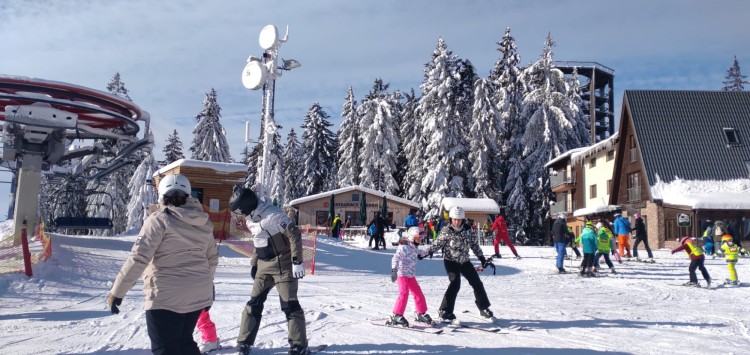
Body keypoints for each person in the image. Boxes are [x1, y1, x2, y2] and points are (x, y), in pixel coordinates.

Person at [107, 174, 218, 355]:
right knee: (184, 343)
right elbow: (212, 259)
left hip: (165, 298)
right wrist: (204, 287)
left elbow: (139, 257)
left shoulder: (159, 220)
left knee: (165, 349)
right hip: (197, 296)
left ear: (162, 195)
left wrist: (117, 291)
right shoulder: (203, 222)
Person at [228, 185, 309, 355]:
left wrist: (297, 261)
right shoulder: (252, 219)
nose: (241, 215)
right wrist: (254, 263)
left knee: (290, 305)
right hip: (264, 267)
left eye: (240, 210)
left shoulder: (273, 215)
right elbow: (259, 241)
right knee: (253, 304)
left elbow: (294, 235)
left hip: (283, 266)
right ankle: (244, 342)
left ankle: (299, 345)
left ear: (247, 205)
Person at [427, 206, 494, 324]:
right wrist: (428, 251)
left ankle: (483, 308)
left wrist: (482, 259)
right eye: (454, 219)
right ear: (451, 219)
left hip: (464, 261)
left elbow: (474, 245)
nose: (457, 222)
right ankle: (444, 311)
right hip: (450, 261)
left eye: (459, 219)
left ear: (463, 219)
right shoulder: (447, 230)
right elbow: (437, 243)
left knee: (477, 283)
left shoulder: (468, 230)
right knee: (455, 283)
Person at [388, 227, 433, 327]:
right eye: (418, 239)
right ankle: (396, 314)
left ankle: (421, 313)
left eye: (421, 239)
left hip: (411, 275)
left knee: (418, 293)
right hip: (402, 275)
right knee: (404, 293)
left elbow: (419, 253)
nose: (420, 241)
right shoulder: (404, 247)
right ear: (412, 238)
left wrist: (428, 251)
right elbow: (396, 258)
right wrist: (394, 270)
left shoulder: (413, 246)